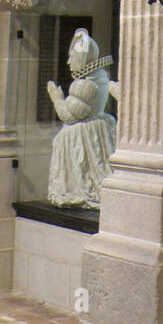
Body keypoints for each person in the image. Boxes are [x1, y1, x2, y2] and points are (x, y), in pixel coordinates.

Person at [46, 27, 119, 209]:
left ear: (83, 59)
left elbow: (68, 115)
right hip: (92, 126)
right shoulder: (97, 78)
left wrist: (56, 98)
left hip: (84, 132)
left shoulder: (85, 85)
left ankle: (78, 190)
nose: (69, 61)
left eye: (73, 57)